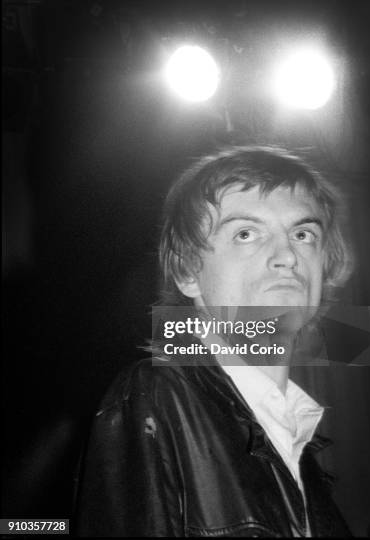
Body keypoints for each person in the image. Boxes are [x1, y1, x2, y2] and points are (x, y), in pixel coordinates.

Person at [75, 145, 354, 537]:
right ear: (188, 272)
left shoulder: (296, 440)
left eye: (303, 233)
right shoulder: (158, 396)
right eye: (245, 233)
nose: (287, 256)